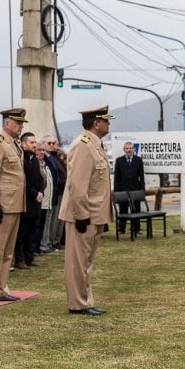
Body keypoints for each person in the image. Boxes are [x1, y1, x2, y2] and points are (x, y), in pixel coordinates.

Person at [60, 104, 114, 316]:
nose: (109, 124)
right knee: (78, 262)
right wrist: (82, 215)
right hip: (83, 214)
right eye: (106, 120)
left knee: (86, 262)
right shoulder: (82, 145)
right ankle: (78, 303)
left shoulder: (95, 144)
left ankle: (85, 300)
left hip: (94, 213)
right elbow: (78, 186)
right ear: (96, 123)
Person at [0, 108, 27, 302]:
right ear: (7, 123)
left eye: (22, 123)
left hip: (14, 203)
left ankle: (2, 285)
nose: (21, 127)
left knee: (7, 250)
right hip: (2, 204)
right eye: (18, 123)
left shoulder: (14, 144)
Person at [14, 132, 44, 269]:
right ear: (23, 143)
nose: (34, 145)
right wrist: (34, 193)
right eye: (31, 142)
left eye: (35, 142)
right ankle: (20, 259)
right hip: (25, 199)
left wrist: (41, 192)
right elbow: (22, 181)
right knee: (22, 232)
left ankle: (29, 257)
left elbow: (39, 179)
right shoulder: (21, 159)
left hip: (36, 200)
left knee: (33, 231)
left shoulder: (34, 159)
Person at [113, 141, 145, 236]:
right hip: (123, 190)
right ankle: (122, 229)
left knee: (136, 210)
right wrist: (116, 192)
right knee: (123, 210)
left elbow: (142, 176)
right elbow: (116, 177)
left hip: (135, 190)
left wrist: (142, 189)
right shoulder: (119, 160)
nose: (129, 150)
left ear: (133, 149)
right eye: (127, 148)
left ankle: (136, 228)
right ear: (124, 149)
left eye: (130, 148)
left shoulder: (138, 160)